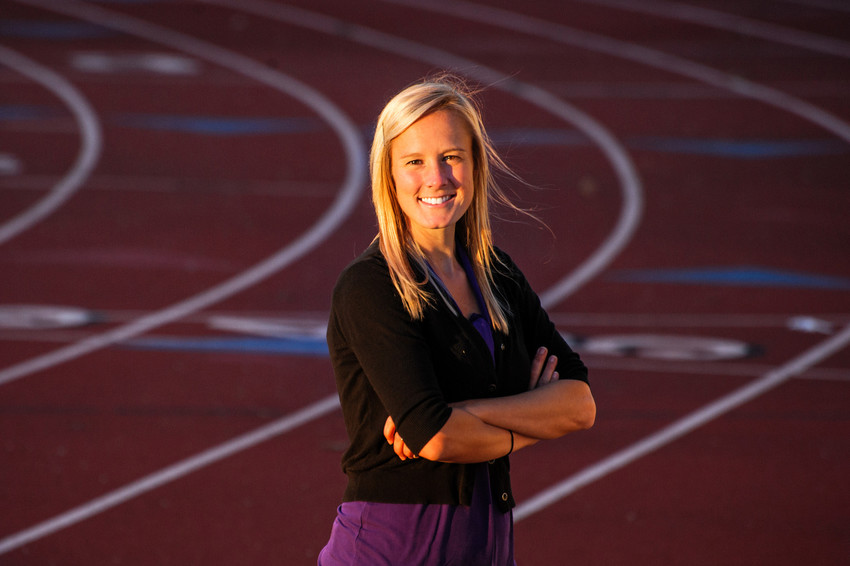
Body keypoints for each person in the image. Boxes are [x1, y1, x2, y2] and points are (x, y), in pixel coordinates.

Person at [318, 74, 595, 566]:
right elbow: (436, 436)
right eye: (415, 162)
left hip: (486, 544)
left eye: (451, 157)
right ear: (389, 175)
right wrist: (532, 417)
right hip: (391, 547)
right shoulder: (370, 287)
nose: (437, 178)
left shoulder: (499, 276)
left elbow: (579, 404)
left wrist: (463, 414)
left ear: (475, 164)